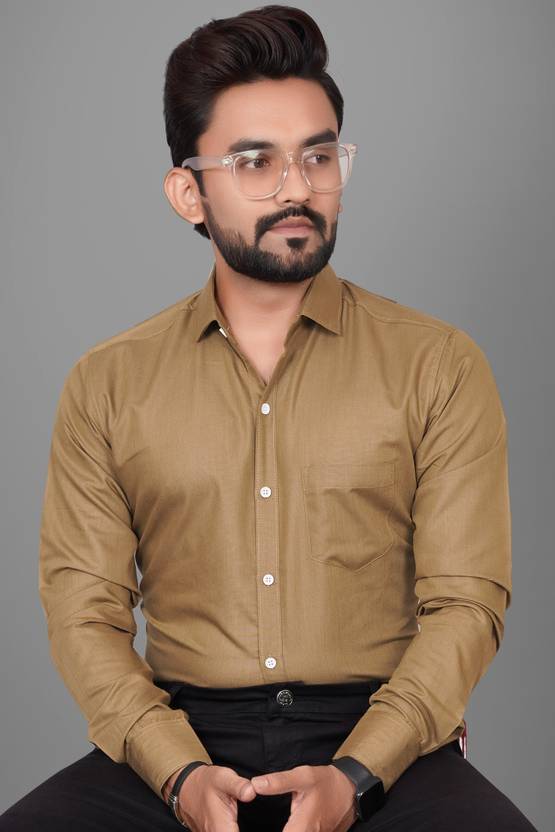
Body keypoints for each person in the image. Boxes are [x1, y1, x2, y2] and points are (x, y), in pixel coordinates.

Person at [0, 5, 537, 831]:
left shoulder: (438, 365)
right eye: (255, 161)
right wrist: (177, 773)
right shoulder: (107, 384)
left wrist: (357, 774)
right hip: (179, 736)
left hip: (379, 736)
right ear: (188, 193)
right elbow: (85, 615)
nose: (296, 187)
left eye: (318, 156)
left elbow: (466, 606)